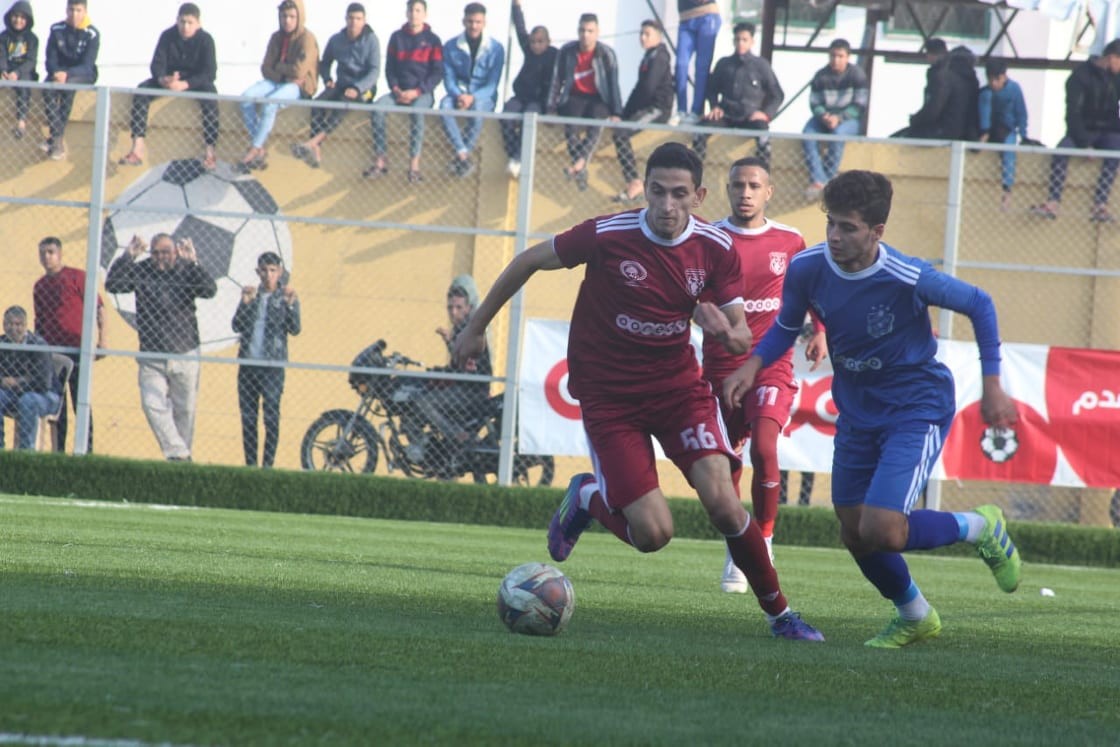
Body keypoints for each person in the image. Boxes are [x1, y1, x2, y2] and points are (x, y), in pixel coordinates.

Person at [453, 142, 824, 642]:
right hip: (610, 398)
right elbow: (528, 260)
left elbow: (740, 336)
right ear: (644, 189)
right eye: (657, 192)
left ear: (699, 196)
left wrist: (722, 330)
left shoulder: (716, 247)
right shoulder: (608, 234)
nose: (667, 206)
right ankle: (587, 495)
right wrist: (476, 327)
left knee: (724, 503)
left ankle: (781, 616)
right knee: (653, 534)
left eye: (679, 194)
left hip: (678, 390)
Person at [723, 170, 1023, 648]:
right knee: (854, 531)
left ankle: (980, 526)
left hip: (915, 407)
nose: (834, 236)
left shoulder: (906, 275)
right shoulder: (807, 267)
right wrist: (753, 366)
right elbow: (786, 325)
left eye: (848, 228)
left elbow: (980, 304)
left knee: (883, 528)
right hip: (858, 411)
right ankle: (914, 614)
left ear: (877, 232)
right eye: (831, 224)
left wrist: (992, 386)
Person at [700, 157, 825, 592]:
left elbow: (809, 288)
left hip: (771, 364)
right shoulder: (709, 239)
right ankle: (739, 549)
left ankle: (765, 540)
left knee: (765, 447)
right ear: (727, 189)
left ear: (768, 192)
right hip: (720, 369)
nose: (746, 192)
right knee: (725, 464)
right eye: (738, 185)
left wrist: (820, 330)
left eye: (754, 185)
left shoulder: (790, 240)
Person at [104, 233, 217, 462]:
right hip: (152, 355)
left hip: (185, 351)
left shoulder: (186, 269)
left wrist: (193, 262)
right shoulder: (142, 270)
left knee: (185, 410)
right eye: (155, 253)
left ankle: (180, 461)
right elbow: (113, 285)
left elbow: (209, 290)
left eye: (166, 252)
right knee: (152, 404)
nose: (160, 257)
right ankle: (178, 453)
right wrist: (128, 256)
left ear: (175, 252)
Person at [118, 3, 219, 170]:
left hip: (194, 82)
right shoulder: (167, 36)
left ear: (198, 23)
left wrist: (186, 84)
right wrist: (164, 79)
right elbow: (156, 65)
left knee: (210, 96)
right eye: (182, 22)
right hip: (169, 81)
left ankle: (210, 151)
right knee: (141, 91)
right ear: (177, 20)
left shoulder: (206, 40)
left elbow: (210, 72)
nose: (185, 27)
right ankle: (137, 147)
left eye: (190, 23)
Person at [1030, 39, 1120, 224]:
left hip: (1106, 131)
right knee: (1061, 153)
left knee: (1115, 152)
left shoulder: (1115, 78)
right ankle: (1053, 202)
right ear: (1112, 57)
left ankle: (1100, 205)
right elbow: (1073, 114)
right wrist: (1085, 143)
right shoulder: (1080, 76)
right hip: (1081, 131)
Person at [408, 275, 493, 465]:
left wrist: (450, 343)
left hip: (470, 392)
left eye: (459, 307)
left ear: (469, 308)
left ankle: (457, 434)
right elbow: (459, 365)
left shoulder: (471, 330)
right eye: (450, 308)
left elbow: (465, 367)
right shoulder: (465, 329)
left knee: (422, 401)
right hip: (466, 388)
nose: (453, 312)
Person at [32, 236, 105, 453]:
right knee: (57, 404)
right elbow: (39, 321)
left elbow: (99, 308)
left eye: (51, 252)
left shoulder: (77, 277)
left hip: (77, 350)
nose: (47, 257)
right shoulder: (40, 286)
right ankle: (59, 451)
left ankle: (85, 450)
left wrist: (102, 340)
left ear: (60, 253)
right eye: (43, 253)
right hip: (52, 354)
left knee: (81, 403)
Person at [232, 252, 301, 468]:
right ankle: (251, 465)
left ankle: (268, 465)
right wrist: (245, 303)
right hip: (248, 366)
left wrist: (291, 306)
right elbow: (236, 325)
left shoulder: (286, 296)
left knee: (271, 417)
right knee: (248, 418)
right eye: (264, 270)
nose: (268, 275)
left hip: (272, 367)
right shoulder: (252, 296)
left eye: (272, 270)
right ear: (258, 272)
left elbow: (295, 329)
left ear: (280, 272)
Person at [290, 3, 379, 170]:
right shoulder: (337, 39)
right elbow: (325, 63)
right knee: (318, 104)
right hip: (342, 84)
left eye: (358, 19)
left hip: (364, 89)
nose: (354, 22)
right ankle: (315, 149)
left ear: (364, 20)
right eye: (351, 18)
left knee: (341, 107)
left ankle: (312, 142)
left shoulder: (371, 40)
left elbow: (374, 72)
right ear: (346, 19)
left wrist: (358, 88)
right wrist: (327, 79)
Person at [365, 0, 442, 183]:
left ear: (425, 14)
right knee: (377, 108)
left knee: (417, 112)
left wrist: (417, 92)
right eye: (411, 10)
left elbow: (437, 73)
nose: (414, 14)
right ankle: (381, 160)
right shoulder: (396, 37)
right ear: (406, 13)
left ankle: (414, 166)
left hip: (422, 93)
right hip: (398, 92)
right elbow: (390, 69)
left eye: (418, 10)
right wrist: (396, 89)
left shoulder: (433, 40)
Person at [238, 0, 318, 172]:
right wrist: (283, 74)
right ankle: (259, 146)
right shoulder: (276, 37)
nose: (287, 21)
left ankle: (254, 148)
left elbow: (299, 71)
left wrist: (279, 67)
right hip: (278, 80)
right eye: (284, 16)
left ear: (299, 17)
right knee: (246, 99)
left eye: (292, 17)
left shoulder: (307, 39)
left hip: (299, 87)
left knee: (270, 103)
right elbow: (265, 68)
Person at [547, 13, 623, 191]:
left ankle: (578, 164)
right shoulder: (567, 51)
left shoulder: (606, 54)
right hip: (574, 96)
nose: (585, 35)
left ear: (597, 32)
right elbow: (556, 80)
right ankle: (580, 166)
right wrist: (551, 108)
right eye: (582, 30)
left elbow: (613, 84)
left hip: (598, 98)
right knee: (571, 124)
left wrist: (616, 112)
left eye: (590, 31)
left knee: (596, 122)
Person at [691, 22, 782, 167]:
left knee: (763, 136)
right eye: (737, 39)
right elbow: (711, 89)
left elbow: (777, 94)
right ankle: (695, 169)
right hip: (727, 115)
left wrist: (765, 114)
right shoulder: (724, 64)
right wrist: (714, 106)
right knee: (699, 131)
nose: (740, 43)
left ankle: (763, 171)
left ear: (752, 42)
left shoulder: (761, 65)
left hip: (749, 117)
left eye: (745, 40)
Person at [610, 19, 673, 204]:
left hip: (657, 109)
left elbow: (647, 89)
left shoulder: (660, 57)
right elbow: (639, 89)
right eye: (641, 33)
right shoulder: (648, 56)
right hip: (646, 107)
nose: (642, 38)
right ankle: (633, 181)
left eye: (647, 34)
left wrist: (629, 117)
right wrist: (623, 114)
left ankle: (634, 182)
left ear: (658, 36)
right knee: (620, 130)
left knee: (621, 132)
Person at [439, 2, 505, 178]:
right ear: (464, 21)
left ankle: (462, 157)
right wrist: (459, 95)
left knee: (477, 110)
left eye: (478, 22)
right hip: (458, 94)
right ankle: (463, 154)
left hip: (483, 97)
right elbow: (449, 78)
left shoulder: (495, 49)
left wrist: (472, 97)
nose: (474, 26)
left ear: (484, 23)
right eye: (470, 21)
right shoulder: (451, 46)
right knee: (444, 106)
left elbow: (492, 84)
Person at [801, 38, 868, 199]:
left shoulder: (857, 75)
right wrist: (824, 116)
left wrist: (839, 118)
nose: (836, 60)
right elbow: (814, 102)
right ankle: (818, 180)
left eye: (840, 56)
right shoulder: (820, 76)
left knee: (838, 135)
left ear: (847, 57)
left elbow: (860, 105)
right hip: (824, 118)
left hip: (848, 120)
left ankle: (829, 180)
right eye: (832, 56)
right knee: (808, 134)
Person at [500, 0, 555, 179]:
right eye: (533, 42)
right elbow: (520, 28)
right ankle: (515, 156)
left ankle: (518, 158)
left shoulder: (555, 55)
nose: (536, 46)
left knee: (529, 120)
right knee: (507, 115)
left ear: (548, 42)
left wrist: (553, 107)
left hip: (538, 101)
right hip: (521, 97)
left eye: (540, 42)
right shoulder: (529, 50)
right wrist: (516, 7)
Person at [41, 0, 99, 161]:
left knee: (68, 88)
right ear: (66, 10)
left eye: (78, 10)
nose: (74, 14)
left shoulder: (92, 33)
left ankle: (55, 138)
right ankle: (56, 138)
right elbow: (50, 58)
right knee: (48, 89)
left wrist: (67, 74)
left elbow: (88, 65)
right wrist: (56, 72)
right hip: (58, 73)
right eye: (71, 10)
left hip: (82, 74)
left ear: (85, 11)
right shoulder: (56, 29)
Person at [0, 306, 60, 451]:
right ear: (3, 324)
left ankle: (25, 451)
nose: (13, 328)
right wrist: (3, 381)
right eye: (9, 324)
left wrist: (16, 382)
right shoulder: (2, 343)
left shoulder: (38, 345)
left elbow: (43, 383)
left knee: (28, 401)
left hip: (45, 395)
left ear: (26, 325)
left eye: (18, 324)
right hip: (13, 393)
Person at [896, 38, 978, 141]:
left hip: (943, 130)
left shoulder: (944, 77)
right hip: (966, 134)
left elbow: (933, 109)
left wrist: (915, 119)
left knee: (897, 139)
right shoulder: (972, 80)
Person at [978, 60, 1030, 211]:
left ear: (1004, 76)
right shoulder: (985, 93)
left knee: (1008, 152)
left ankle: (1007, 191)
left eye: (997, 79)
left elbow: (1021, 114)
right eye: (990, 80)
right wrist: (984, 132)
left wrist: (1023, 135)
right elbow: (984, 114)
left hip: (1007, 129)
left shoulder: (1014, 89)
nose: (994, 83)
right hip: (990, 130)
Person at [672, 0, 721, 126]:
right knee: (681, 65)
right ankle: (681, 109)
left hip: (707, 14)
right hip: (685, 17)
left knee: (701, 68)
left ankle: (696, 111)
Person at [0, 1, 38, 140]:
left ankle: (21, 122)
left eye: (22, 17)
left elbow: (31, 61)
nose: (18, 20)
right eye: (15, 16)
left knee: (24, 85)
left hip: (23, 72)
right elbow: (2, 56)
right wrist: (3, 70)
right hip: (6, 70)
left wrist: (17, 73)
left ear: (28, 20)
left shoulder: (32, 39)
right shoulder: (3, 36)